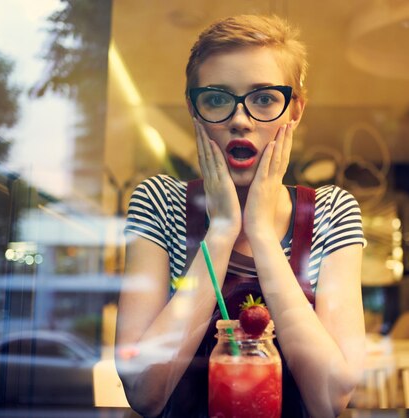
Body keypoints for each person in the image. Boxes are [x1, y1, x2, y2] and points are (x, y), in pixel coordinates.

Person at [115, 14, 366, 418]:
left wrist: (262, 236)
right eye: (216, 98)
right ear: (194, 110)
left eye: (264, 98)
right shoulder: (159, 201)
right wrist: (223, 232)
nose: (240, 119)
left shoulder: (332, 210)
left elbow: (330, 400)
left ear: (295, 110)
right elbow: (144, 391)